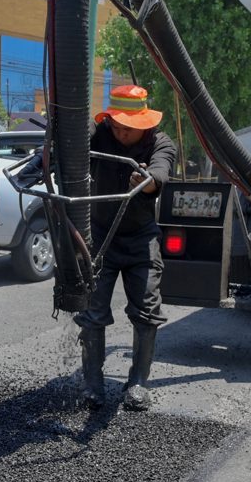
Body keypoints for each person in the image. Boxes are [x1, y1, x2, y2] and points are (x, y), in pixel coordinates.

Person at [76, 85, 177, 411]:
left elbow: (162, 169)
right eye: (117, 126)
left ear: (145, 124)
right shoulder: (99, 133)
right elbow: (74, 137)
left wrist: (149, 181)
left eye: (129, 129)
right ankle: (92, 383)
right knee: (92, 311)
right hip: (101, 236)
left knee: (146, 310)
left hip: (140, 238)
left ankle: (138, 382)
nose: (121, 134)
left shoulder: (160, 142)